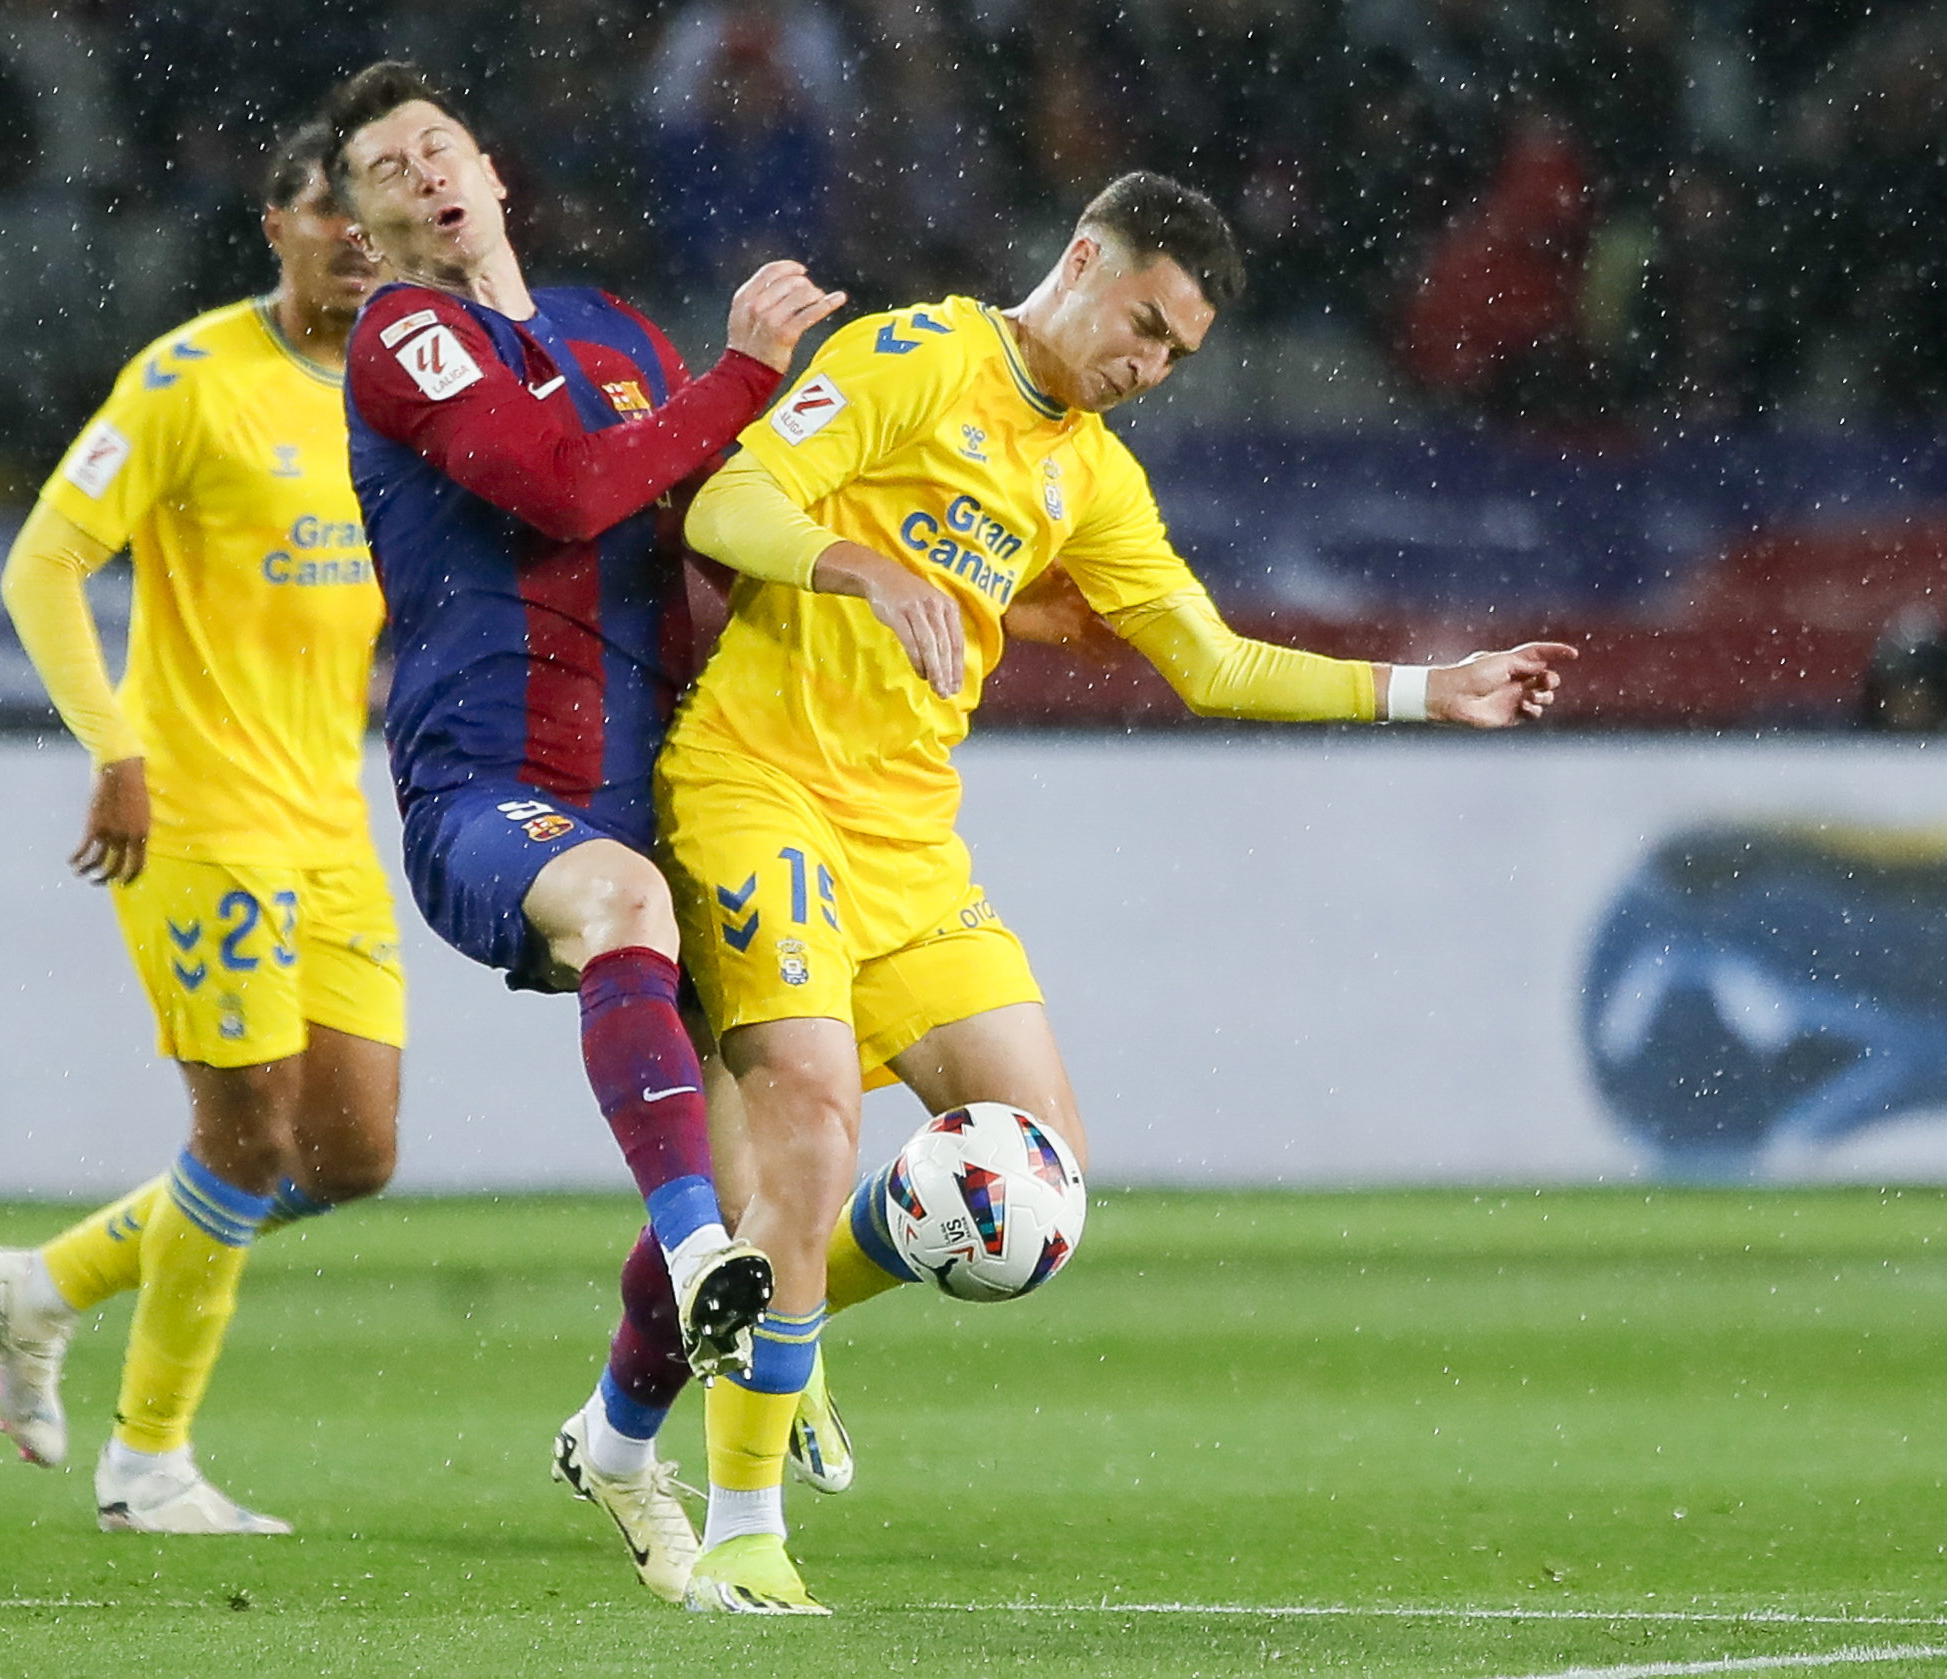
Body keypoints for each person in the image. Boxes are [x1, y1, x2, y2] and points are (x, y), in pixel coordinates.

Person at [659, 170, 1577, 1612]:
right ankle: (739, 1534)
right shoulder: (913, 358)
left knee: (1040, 1171)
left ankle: (763, 1325)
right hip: (755, 788)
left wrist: (1425, 689)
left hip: (907, 844)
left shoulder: (1088, 474)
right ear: (1083, 257)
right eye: (1142, 325)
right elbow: (732, 500)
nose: (1147, 368)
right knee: (817, 1126)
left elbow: (1212, 662)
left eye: (1175, 356)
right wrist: (857, 568)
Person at [319, 60, 852, 1601]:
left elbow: (691, 516)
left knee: (786, 1163)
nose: (424, 172)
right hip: (487, 790)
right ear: (364, 226)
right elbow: (559, 491)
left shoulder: (618, 331)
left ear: (489, 164)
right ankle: (691, 1252)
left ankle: (620, 1440)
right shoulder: (405, 335)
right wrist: (746, 377)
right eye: (385, 168)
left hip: (650, 782)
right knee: (622, 905)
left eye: (440, 144)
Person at [0, 121, 402, 1535]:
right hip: (199, 814)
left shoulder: (412, 393)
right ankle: (149, 1466)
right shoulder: (189, 381)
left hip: (333, 813)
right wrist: (117, 748)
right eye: (330, 215)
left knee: (352, 1158)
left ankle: (47, 1285)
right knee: (249, 1133)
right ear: (277, 226)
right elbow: (43, 564)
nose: (356, 240)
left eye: (375, 217)